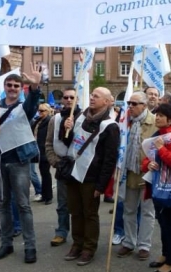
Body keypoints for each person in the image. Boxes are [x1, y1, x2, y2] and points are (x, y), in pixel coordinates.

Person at [0, 64, 43, 264]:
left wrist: (35, 85)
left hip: (19, 161)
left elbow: (32, 103)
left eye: (16, 86)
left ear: (21, 89)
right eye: (9, 85)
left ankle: (30, 246)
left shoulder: (24, 107)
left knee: (23, 205)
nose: (12, 88)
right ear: (4, 87)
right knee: (3, 204)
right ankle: (6, 243)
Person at [61, 87, 119, 266]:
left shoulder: (110, 126)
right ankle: (77, 244)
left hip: (91, 177)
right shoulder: (80, 118)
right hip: (74, 173)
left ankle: (89, 248)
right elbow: (68, 143)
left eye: (97, 96)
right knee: (75, 212)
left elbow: (110, 160)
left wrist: (101, 186)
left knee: (90, 214)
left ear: (108, 102)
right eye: (92, 95)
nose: (92, 98)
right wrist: (66, 129)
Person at [142, 103, 171, 272]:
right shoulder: (158, 134)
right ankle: (165, 254)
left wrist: (161, 149)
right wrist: (149, 164)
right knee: (162, 221)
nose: (157, 117)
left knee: (169, 224)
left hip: (169, 188)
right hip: (157, 185)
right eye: (157, 114)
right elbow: (147, 159)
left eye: (161, 115)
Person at [116, 92, 158, 261]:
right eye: (129, 103)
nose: (130, 107)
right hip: (129, 172)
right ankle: (129, 242)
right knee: (129, 210)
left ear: (144, 105)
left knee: (148, 212)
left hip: (148, 174)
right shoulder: (124, 122)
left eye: (134, 103)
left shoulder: (155, 122)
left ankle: (144, 245)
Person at [45, 87, 80, 247]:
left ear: (77, 100)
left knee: (80, 203)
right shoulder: (55, 119)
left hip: (79, 165)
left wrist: (72, 129)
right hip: (62, 165)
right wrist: (55, 162)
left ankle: (80, 235)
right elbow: (48, 143)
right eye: (65, 97)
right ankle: (61, 231)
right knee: (63, 203)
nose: (68, 100)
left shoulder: (83, 118)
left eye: (72, 97)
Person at [33, 103, 54, 205]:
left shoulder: (49, 121)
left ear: (48, 111)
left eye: (42, 111)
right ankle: (44, 194)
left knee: (46, 174)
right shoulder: (38, 121)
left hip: (45, 150)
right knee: (42, 173)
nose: (40, 112)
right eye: (39, 110)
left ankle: (48, 196)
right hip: (38, 150)